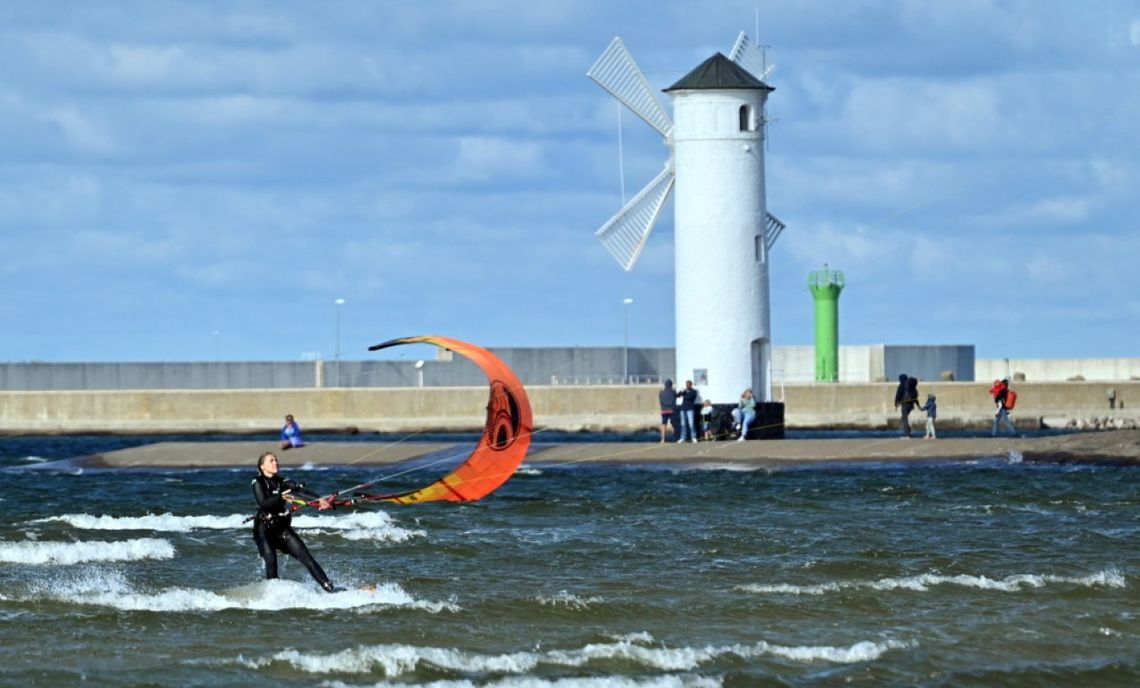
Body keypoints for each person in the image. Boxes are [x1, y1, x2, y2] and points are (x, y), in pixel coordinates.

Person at [251, 451, 338, 592]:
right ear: (262, 466)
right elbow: (263, 504)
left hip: (282, 529)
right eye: (271, 461)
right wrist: (281, 498)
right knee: (271, 561)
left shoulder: (282, 482)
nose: (275, 463)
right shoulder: (258, 482)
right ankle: (272, 597)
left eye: (276, 460)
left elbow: (301, 493)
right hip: (264, 531)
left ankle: (330, 589)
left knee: (307, 559)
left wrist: (320, 500)